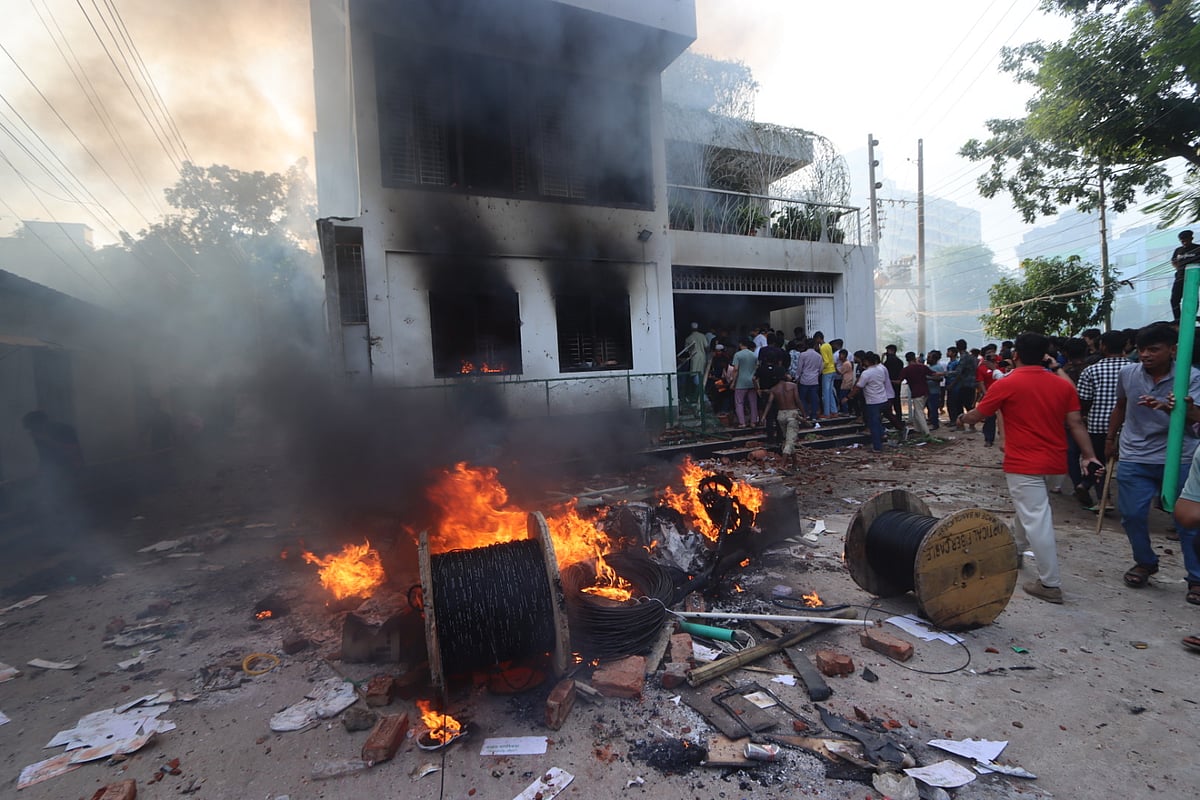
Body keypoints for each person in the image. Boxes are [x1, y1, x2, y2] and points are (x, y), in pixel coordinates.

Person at [958, 333, 1104, 603]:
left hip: (1023, 462)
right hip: (1055, 462)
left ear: (1015, 355)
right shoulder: (1062, 385)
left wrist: (962, 417)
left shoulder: (1008, 383)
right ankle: (1017, 549)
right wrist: (1089, 456)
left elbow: (979, 414)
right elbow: (1075, 424)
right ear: (1046, 355)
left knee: (1037, 517)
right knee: (1028, 509)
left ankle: (1050, 584)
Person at [1106, 322, 1200, 604]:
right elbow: (1121, 406)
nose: (1146, 355)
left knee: (1188, 522)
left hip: (1179, 454)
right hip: (1136, 453)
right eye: (1141, 349)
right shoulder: (1127, 373)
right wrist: (1110, 439)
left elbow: (1198, 417)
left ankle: (1196, 578)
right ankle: (1145, 561)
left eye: (1153, 349)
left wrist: (1181, 408)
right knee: (1132, 514)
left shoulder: (1191, 377)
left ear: (1173, 350)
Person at [1075, 330, 1128, 508]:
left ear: (1102, 346)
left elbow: (1084, 400)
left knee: (1097, 460)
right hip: (1128, 425)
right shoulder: (1136, 368)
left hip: (1097, 424)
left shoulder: (1092, 370)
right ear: (1126, 345)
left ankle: (1103, 498)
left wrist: (1082, 417)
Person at [848, 352, 890, 452]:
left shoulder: (866, 373)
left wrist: (849, 396)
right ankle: (882, 434)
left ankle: (877, 447)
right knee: (877, 421)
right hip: (883, 399)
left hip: (873, 401)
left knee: (873, 424)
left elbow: (858, 387)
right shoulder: (881, 369)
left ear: (866, 361)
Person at [763, 373, 803, 465]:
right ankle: (783, 464)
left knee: (788, 439)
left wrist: (764, 416)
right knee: (790, 441)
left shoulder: (774, 389)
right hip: (792, 414)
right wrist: (804, 413)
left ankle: (795, 464)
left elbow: (769, 402)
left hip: (781, 415)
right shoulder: (793, 386)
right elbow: (797, 400)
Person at [899, 351, 933, 437]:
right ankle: (917, 429)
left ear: (906, 360)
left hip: (916, 393)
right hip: (925, 391)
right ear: (915, 358)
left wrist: (889, 381)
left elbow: (899, 381)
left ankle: (926, 432)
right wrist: (945, 373)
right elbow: (934, 374)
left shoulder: (906, 370)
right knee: (917, 411)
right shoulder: (922, 367)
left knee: (919, 412)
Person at [1169, 230, 1200, 322]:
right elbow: (1173, 261)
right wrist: (1178, 268)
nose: (1184, 242)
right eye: (1182, 241)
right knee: (1174, 299)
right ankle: (1178, 319)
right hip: (1180, 277)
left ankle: (1191, 316)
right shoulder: (1178, 250)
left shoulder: (1198, 248)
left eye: (1186, 240)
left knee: (1192, 298)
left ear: (1191, 238)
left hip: (1193, 277)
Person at [730, 337, 759, 428]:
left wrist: (733, 382)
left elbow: (735, 369)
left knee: (739, 402)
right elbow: (756, 368)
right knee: (753, 402)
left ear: (740, 344)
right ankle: (753, 422)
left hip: (740, 382)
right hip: (751, 382)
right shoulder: (754, 355)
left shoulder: (738, 355)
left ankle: (742, 422)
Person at [794, 338, 823, 424]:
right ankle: (814, 415)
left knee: (802, 398)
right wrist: (817, 375)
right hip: (814, 380)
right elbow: (821, 368)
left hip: (804, 379)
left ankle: (805, 413)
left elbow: (799, 368)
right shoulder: (819, 356)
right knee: (814, 398)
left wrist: (797, 378)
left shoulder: (803, 355)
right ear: (814, 345)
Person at [679, 322, 709, 403]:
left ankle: (702, 396)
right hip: (703, 358)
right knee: (701, 376)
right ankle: (700, 397)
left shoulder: (689, 338)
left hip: (694, 359)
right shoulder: (702, 336)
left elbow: (686, 350)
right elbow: (706, 347)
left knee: (695, 376)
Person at [813, 331, 838, 418]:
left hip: (827, 371)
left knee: (825, 394)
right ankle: (834, 411)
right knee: (830, 392)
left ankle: (827, 413)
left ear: (818, 338)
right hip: (832, 370)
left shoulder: (822, 347)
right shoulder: (828, 345)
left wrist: (820, 370)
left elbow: (826, 361)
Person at [882, 344, 904, 423]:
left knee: (888, 400)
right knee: (897, 400)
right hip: (897, 383)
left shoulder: (889, 360)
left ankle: (890, 416)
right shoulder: (900, 361)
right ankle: (899, 417)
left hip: (889, 383)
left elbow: (882, 369)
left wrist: (882, 358)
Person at [925, 350, 945, 430]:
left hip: (934, 391)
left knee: (933, 408)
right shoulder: (929, 367)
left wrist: (928, 378)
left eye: (929, 357)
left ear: (934, 359)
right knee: (930, 408)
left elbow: (940, 378)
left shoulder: (938, 367)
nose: (927, 359)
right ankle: (931, 421)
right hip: (928, 391)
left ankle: (935, 424)